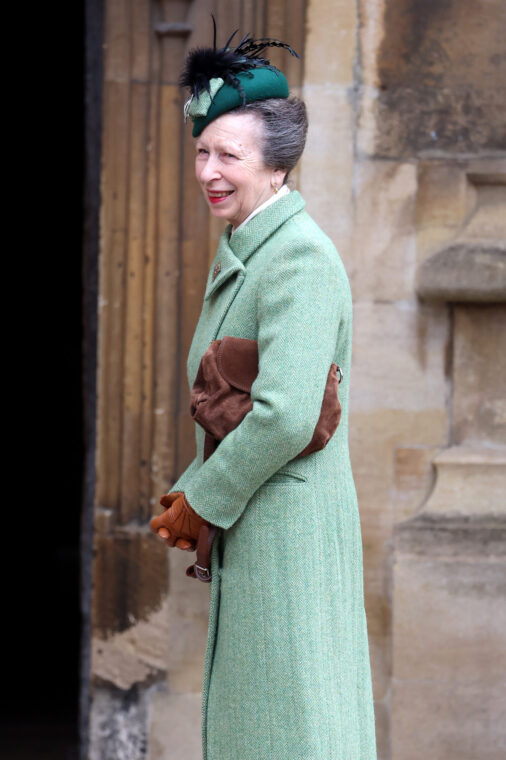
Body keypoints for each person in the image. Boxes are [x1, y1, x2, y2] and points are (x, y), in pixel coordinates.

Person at [150, 22, 378, 760]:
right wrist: (193, 486)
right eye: (201, 151)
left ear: (278, 166)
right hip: (259, 524)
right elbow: (233, 402)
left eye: (228, 155)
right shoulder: (251, 248)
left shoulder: (299, 261)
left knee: (293, 728)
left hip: (288, 531)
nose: (209, 170)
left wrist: (201, 502)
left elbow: (284, 418)